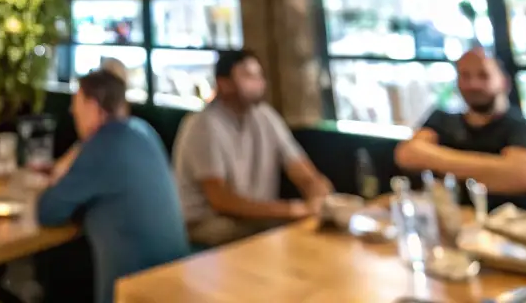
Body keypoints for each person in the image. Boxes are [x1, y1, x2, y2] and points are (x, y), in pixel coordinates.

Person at [37, 69, 189, 303]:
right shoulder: (143, 131)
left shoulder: (103, 146)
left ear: (93, 106)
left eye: (76, 103)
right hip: (175, 281)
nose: (71, 111)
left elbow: (48, 211)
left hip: (133, 294)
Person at [172, 49, 332, 247]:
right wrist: (291, 210)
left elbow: (301, 169)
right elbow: (221, 200)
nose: (259, 83)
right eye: (249, 76)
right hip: (207, 226)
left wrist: (319, 194)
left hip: (253, 220)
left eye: (259, 76)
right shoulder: (202, 125)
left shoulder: (265, 116)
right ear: (224, 84)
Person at [395, 47, 526, 210]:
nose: (473, 84)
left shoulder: (521, 127)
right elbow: (407, 155)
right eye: (465, 76)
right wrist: (495, 169)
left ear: (504, 82)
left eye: (483, 75)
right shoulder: (441, 119)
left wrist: (437, 161)